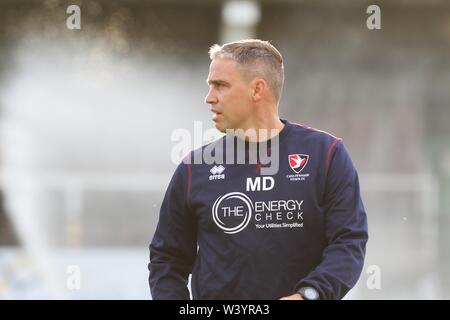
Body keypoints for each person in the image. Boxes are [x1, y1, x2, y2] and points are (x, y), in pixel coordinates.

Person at [148, 39, 368, 300]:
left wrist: (309, 295)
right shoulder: (195, 167)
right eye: (210, 86)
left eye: (220, 85)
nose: (209, 97)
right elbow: (167, 259)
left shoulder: (326, 154)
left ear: (257, 89)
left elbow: (348, 242)